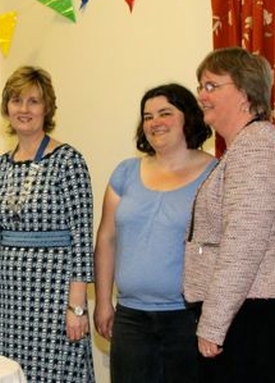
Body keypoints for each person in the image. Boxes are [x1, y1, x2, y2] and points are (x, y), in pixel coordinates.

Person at [93, 83, 216, 383]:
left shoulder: (215, 173)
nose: (155, 123)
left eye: (165, 113)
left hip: (188, 320)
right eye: (147, 117)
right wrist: (103, 301)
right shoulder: (125, 172)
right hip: (131, 319)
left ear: (187, 117)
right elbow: (106, 239)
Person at [184, 47, 275, 382]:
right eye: (200, 85)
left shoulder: (256, 147)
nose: (201, 95)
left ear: (245, 93)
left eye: (212, 86)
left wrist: (214, 324)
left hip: (252, 317)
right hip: (247, 311)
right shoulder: (247, 146)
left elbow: (242, 246)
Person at [0, 65, 95, 382]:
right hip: (10, 302)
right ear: (6, 107)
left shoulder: (68, 160)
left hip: (56, 299)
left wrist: (76, 308)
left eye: (33, 101)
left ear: (47, 108)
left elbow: (82, 237)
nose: (24, 109)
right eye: (17, 100)